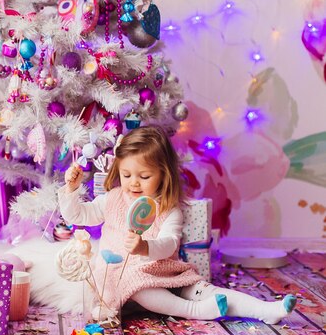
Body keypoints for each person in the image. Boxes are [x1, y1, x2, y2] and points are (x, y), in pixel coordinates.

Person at [59, 125, 296, 324]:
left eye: (144, 176)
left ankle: (266, 311)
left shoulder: (167, 208)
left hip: (164, 271)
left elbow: (170, 244)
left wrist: (145, 247)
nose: (134, 183)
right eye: (127, 175)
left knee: (204, 290)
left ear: (163, 174)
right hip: (119, 278)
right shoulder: (111, 199)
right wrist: (71, 190)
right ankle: (193, 311)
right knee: (140, 284)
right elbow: (78, 215)